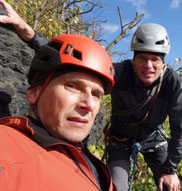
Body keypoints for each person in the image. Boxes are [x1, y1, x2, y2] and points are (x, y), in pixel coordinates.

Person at [0, 1, 182, 190]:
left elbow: (180, 129)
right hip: (120, 137)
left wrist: (171, 170)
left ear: (163, 62)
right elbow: (71, 59)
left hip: (152, 139)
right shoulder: (121, 72)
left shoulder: (173, 83)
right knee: (117, 187)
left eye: (155, 60)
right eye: (142, 58)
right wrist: (29, 33)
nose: (148, 66)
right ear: (134, 59)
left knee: (170, 186)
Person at [0, 32, 117, 190]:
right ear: (34, 92)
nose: (89, 104)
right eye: (72, 86)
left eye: (96, 94)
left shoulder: (87, 160)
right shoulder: (6, 148)